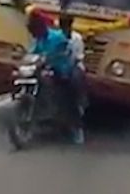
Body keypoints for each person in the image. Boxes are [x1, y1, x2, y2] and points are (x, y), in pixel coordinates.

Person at [27, 12, 84, 144]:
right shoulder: (40, 39)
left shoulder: (59, 37)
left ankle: (77, 128)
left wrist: (50, 59)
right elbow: (33, 52)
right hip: (47, 68)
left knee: (70, 93)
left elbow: (65, 51)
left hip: (63, 69)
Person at [59, 14, 88, 116]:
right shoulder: (55, 36)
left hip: (73, 65)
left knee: (76, 76)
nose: (64, 28)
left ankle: (79, 104)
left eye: (66, 25)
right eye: (62, 25)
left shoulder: (77, 38)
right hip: (57, 64)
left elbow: (78, 57)